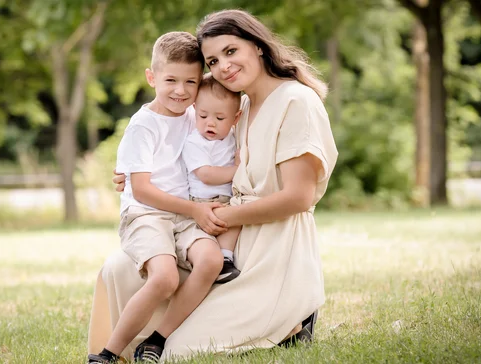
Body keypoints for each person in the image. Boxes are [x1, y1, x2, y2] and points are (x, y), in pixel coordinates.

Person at [89, 9, 339, 361]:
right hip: (220, 229)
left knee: (180, 352)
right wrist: (132, 175)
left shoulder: (297, 101)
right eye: (213, 60)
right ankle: (114, 350)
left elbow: (299, 197)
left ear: (257, 45)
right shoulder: (240, 103)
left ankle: (293, 319)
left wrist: (222, 217)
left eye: (231, 51)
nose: (223, 66)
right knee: (120, 268)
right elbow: (183, 147)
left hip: (268, 241)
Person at [87, 31, 226, 364]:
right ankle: (106, 353)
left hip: (184, 215)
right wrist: (195, 209)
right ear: (152, 77)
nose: (180, 90)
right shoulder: (143, 125)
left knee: (212, 261)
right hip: (146, 213)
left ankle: (157, 339)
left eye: (190, 82)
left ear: (200, 84)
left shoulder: (197, 116)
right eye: (171, 80)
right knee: (165, 277)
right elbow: (144, 189)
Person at [181, 72, 243, 283]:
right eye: (203, 116)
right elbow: (206, 175)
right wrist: (237, 170)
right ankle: (205, 262)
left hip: (227, 200)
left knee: (235, 221)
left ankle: (225, 259)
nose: (210, 124)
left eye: (219, 118)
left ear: (236, 118)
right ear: (194, 110)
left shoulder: (233, 138)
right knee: (206, 233)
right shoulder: (194, 142)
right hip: (201, 202)